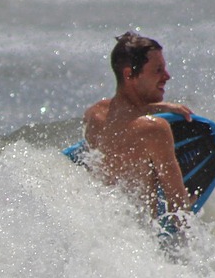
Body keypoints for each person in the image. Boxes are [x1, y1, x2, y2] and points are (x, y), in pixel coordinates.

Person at [82, 32, 193, 222]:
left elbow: (122, 115)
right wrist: (191, 200)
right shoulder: (155, 129)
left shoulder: (93, 116)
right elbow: (179, 210)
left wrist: (153, 107)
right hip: (140, 241)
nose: (167, 76)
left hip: (103, 230)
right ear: (129, 74)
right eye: (158, 70)